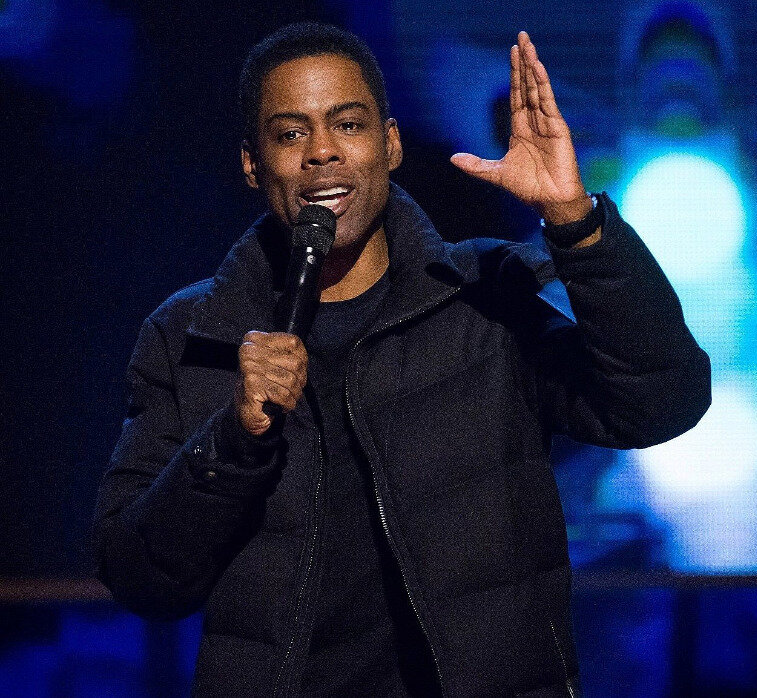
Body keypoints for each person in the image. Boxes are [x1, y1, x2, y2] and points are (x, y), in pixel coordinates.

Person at [91, 22, 710, 698]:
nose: (322, 152)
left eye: (348, 125)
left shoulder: (482, 300)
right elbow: (140, 575)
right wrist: (234, 440)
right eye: (291, 134)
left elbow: (660, 402)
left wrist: (576, 221)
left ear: (390, 144)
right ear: (252, 164)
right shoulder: (193, 337)